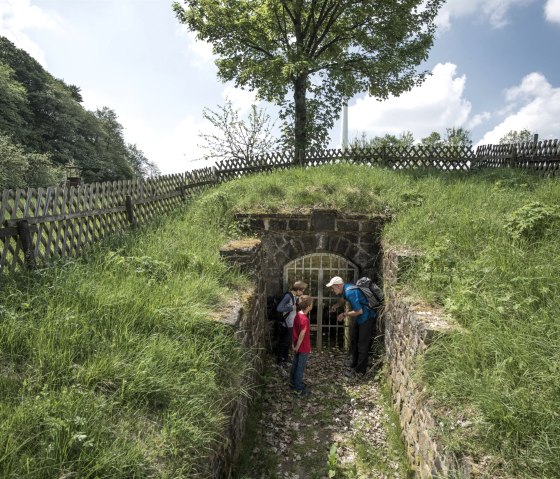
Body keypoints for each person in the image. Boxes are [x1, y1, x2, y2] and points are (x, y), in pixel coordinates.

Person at [326, 276, 376, 377]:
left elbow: (359, 311)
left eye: (333, 287)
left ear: (339, 285)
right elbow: (343, 299)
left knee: (362, 344)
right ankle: (354, 365)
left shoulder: (350, 292)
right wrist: (337, 305)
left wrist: (344, 314)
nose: (332, 289)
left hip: (367, 317)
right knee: (354, 340)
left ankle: (360, 372)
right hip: (361, 318)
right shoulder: (347, 288)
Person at [275, 280, 308, 364]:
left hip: (291, 323)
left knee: (288, 342)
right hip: (287, 323)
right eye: (302, 290)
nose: (303, 292)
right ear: (298, 290)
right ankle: (280, 360)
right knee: (285, 342)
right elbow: (279, 308)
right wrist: (290, 308)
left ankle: (285, 358)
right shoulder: (288, 296)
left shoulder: (293, 296)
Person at [290, 295, 313, 396]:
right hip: (302, 347)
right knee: (300, 367)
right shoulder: (305, 320)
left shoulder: (297, 315)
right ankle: (298, 388)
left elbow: (293, 330)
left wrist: (293, 345)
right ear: (308, 306)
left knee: (295, 364)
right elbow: (301, 336)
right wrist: (297, 347)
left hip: (296, 345)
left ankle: (293, 382)